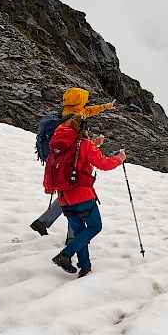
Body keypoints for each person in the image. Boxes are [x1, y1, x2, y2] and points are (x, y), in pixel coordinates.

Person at [30, 87, 116, 242]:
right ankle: (72, 237)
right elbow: (76, 145)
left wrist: (105, 106)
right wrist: (93, 144)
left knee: (66, 196)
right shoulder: (76, 118)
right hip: (72, 166)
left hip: (61, 161)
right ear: (79, 100)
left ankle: (43, 222)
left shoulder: (66, 111)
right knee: (76, 200)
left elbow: (86, 114)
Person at [51, 114, 126, 277]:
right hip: (82, 196)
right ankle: (65, 255)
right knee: (94, 226)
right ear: (85, 129)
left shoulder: (61, 144)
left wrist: (94, 144)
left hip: (64, 197)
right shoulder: (84, 145)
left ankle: (85, 267)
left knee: (79, 232)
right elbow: (104, 164)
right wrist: (119, 159)